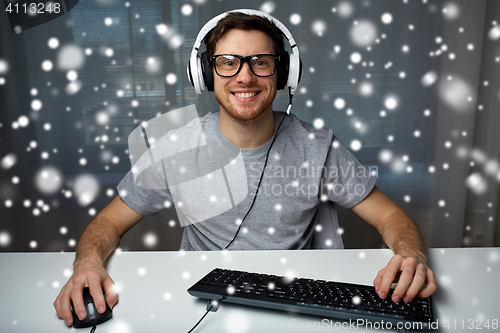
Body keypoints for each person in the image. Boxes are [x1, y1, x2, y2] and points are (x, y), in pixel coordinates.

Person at [54, 10, 437, 327]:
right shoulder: (175, 148)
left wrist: (412, 256)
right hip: (202, 304)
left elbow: (392, 217)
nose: (245, 76)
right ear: (206, 75)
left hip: (292, 303)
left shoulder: (318, 147)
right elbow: (108, 222)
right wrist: (87, 265)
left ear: (283, 74)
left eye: (261, 62)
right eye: (227, 63)